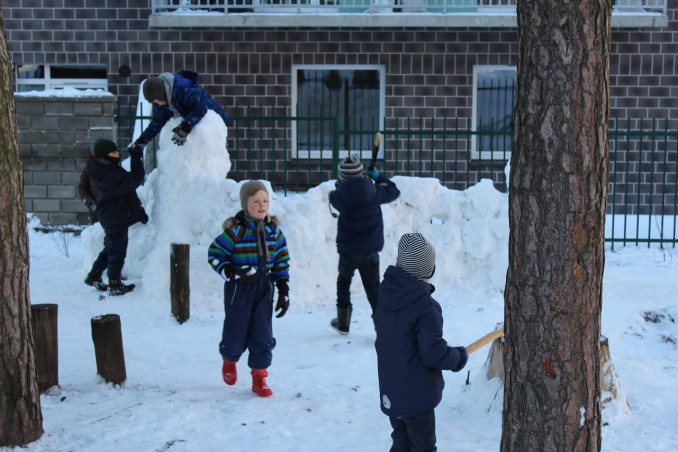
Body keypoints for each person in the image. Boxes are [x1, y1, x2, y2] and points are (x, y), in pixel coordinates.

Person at [374, 232, 468, 452]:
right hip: (417, 397)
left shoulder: (386, 296)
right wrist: (457, 358)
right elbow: (433, 353)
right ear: (429, 270)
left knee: (401, 445)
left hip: (392, 392)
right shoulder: (425, 306)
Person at [207, 180, 290, 397]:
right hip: (239, 289)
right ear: (245, 204)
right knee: (236, 330)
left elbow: (282, 260)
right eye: (256, 201)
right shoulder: (235, 233)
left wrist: (283, 288)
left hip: (264, 289)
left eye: (265, 201)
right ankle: (229, 358)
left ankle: (259, 375)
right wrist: (232, 273)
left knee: (262, 332)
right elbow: (215, 255)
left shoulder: (275, 233)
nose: (262, 205)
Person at [328, 154, 400, 334]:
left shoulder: (339, 197)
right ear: (363, 175)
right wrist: (378, 178)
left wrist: (343, 185)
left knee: (343, 283)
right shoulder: (374, 191)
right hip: (370, 252)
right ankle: (381, 327)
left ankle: (343, 323)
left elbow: (334, 195)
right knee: (374, 289)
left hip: (348, 252)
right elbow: (394, 191)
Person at [83, 138, 148, 296]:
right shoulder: (110, 173)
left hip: (111, 215)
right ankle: (114, 283)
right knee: (117, 251)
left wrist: (137, 213)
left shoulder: (104, 170)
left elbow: (125, 193)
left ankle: (94, 275)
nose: (117, 154)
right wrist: (136, 158)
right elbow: (135, 179)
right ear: (105, 155)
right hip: (114, 217)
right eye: (113, 152)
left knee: (111, 248)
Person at [127, 70, 230, 153]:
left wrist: (186, 126)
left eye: (157, 100)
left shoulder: (183, 90)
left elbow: (200, 107)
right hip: (195, 129)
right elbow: (157, 122)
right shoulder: (163, 100)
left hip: (212, 124)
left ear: (161, 94)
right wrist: (142, 140)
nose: (157, 104)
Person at [77, 147, 98, 224]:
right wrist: (90, 203)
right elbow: (82, 188)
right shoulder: (89, 169)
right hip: (96, 213)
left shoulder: (111, 167)